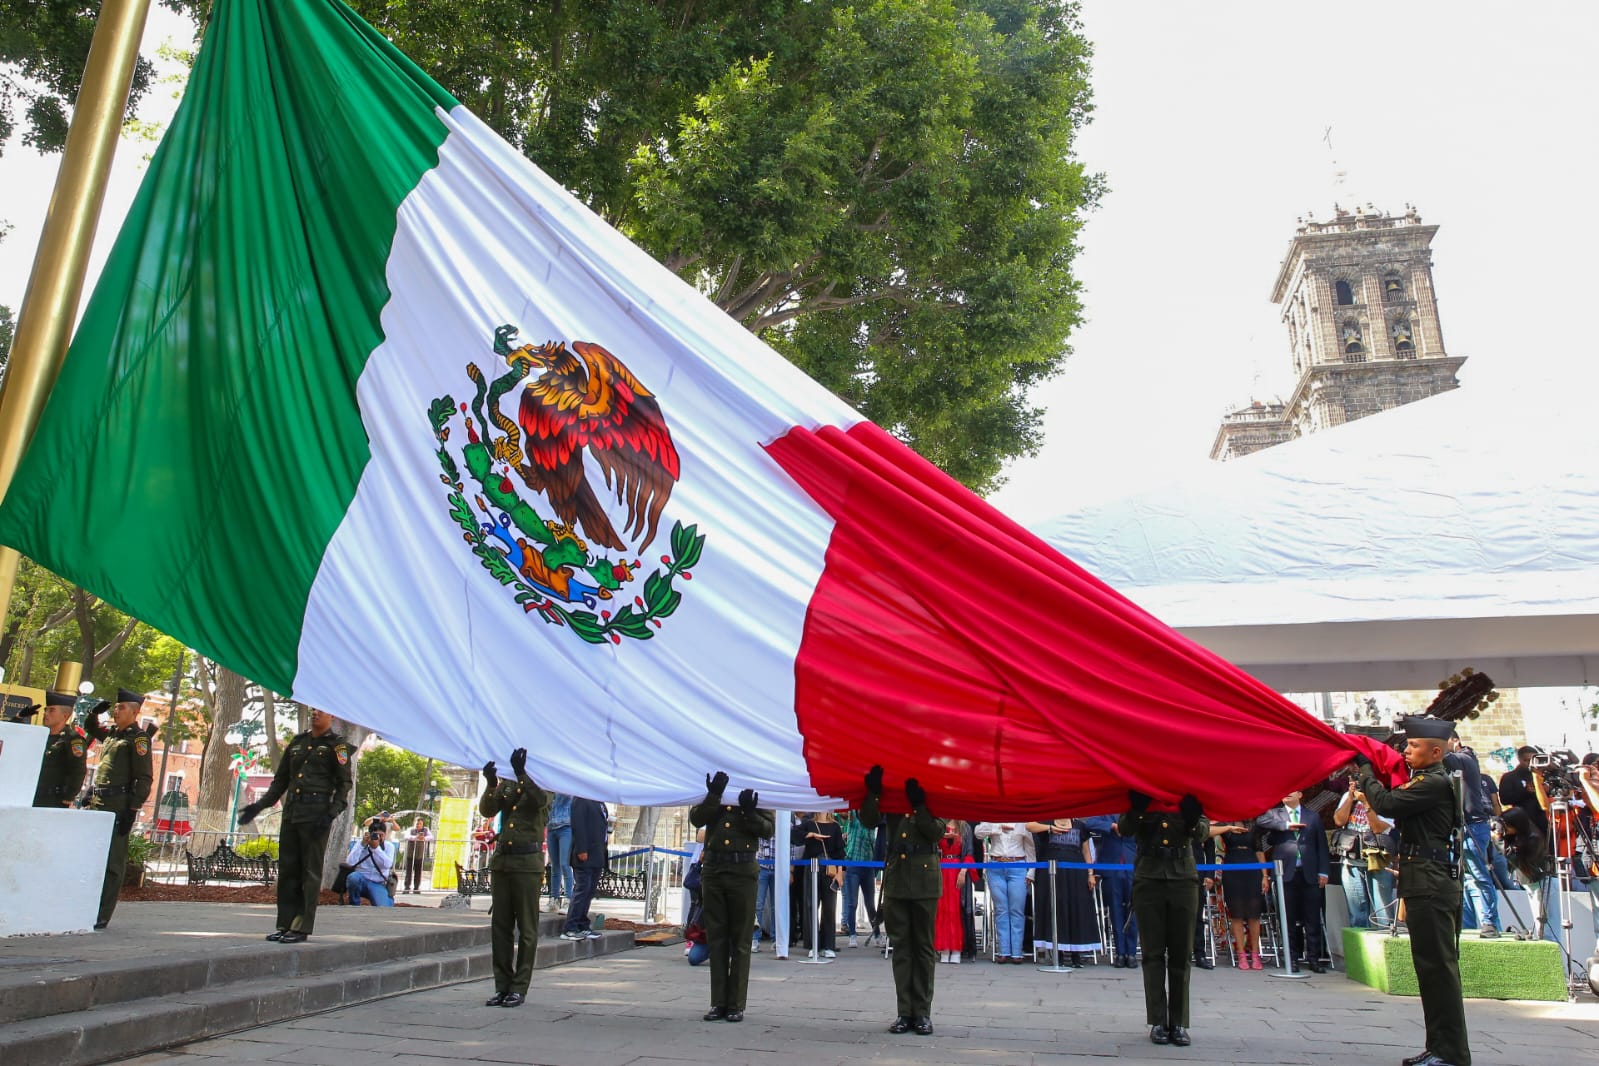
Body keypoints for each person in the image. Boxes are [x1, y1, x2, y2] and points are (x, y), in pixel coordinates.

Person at [1354, 716, 1472, 1066]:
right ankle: (1439, 1047)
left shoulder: (1433, 782)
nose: (1406, 751)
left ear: (1436, 752)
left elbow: (1388, 805)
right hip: (1425, 877)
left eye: (1413, 746)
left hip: (1430, 880)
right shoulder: (1427, 779)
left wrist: (1365, 770)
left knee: (1438, 970)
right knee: (1431, 969)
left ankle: (1449, 1053)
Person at [237, 708, 354, 944]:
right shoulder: (298, 742)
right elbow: (281, 781)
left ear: (332, 717)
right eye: (313, 710)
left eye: (321, 711)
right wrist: (258, 806)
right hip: (292, 813)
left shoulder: (337, 746)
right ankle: (285, 923)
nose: (315, 714)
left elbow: (344, 786)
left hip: (316, 816)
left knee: (309, 873)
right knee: (288, 871)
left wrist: (330, 815)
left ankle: (301, 927)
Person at [859, 765, 944, 1036]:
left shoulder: (935, 788)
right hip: (897, 877)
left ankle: (922, 1013)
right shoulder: (892, 789)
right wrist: (873, 792)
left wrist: (919, 806)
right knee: (902, 949)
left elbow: (937, 831)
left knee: (923, 948)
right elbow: (868, 821)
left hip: (924, 878)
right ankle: (904, 1012)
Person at [1121, 790, 1207, 1048]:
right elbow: (1125, 829)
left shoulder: (1190, 789)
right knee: (1153, 953)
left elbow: (1202, 832)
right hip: (1149, 877)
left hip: (1183, 878)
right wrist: (1137, 808)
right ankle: (1158, 1020)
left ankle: (1178, 1022)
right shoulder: (1141, 788)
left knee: (1182, 954)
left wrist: (1192, 818)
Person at [689, 770, 774, 1023]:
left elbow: (767, 830)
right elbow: (697, 818)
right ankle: (718, 1002)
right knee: (717, 938)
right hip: (714, 869)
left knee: (740, 939)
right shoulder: (715, 781)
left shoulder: (758, 782)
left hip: (742, 870)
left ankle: (736, 1004)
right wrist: (714, 794)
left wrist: (749, 812)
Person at [479, 748, 548, 1007]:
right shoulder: (508, 783)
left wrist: (522, 773)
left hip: (527, 864)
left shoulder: (543, 781)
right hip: (503, 862)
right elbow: (488, 810)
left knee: (527, 929)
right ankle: (502, 985)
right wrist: (491, 783)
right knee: (501, 927)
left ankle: (519, 987)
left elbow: (539, 801)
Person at [82, 689, 153, 930]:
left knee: (112, 862)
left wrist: (132, 809)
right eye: (116, 707)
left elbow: (144, 778)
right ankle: (85, 905)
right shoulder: (112, 734)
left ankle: (102, 914)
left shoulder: (138, 739)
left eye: (122, 707)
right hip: (98, 802)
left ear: (135, 712)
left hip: (118, 805)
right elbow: (91, 728)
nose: (116, 710)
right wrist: (94, 713)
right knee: (90, 857)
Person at [1258, 789, 1331, 972]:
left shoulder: (1312, 816)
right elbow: (1260, 821)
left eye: (1291, 790)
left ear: (1300, 794)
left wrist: (1323, 872)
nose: (1286, 793)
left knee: (1312, 917)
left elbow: (1321, 845)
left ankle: (1314, 959)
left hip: (1309, 872)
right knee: (1288, 917)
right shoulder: (1276, 814)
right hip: (1286, 873)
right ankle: (1292, 959)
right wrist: (1285, 825)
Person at [1027, 817, 1101, 967]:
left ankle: (1076, 956)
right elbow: (1029, 826)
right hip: (1053, 874)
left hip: (1076, 874)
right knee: (1056, 911)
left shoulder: (1080, 826)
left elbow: (1086, 851)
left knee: (1076, 910)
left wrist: (1090, 873)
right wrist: (1050, 829)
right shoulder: (1048, 823)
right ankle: (1058, 955)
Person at [1446, 739, 1500, 937]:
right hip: (1455, 826)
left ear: (1455, 741)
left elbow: (1449, 759)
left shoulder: (1466, 756)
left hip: (1473, 825)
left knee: (1477, 876)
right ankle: (1467, 925)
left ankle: (1489, 922)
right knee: (1463, 878)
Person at [1332, 778, 1396, 932]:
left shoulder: (1387, 799)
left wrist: (1367, 803)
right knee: (1357, 914)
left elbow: (1378, 828)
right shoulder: (1349, 797)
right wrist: (1350, 797)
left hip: (1379, 861)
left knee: (1382, 914)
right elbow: (1339, 821)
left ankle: (1383, 950)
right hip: (1352, 861)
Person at [972, 816, 1034, 964]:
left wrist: (1031, 871)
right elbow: (978, 832)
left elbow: (1030, 847)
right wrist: (998, 827)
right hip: (996, 865)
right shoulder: (994, 818)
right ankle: (1004, 950)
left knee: (1017, 909)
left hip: (1017, 865)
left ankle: (1017, 952)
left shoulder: (1023, 821)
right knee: (1001, 910)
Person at [1083, 813, 1139, 968]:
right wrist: (1111, 826)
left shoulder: (1135, 812)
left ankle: (1132, 953)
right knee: (1115, 912)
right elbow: (1089, 823)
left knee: (1133, 913)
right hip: (1112, 869)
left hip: (1132, 867)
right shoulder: (1107, 813)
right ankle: (1120, 953)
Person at [1210, 818, 1267, 969]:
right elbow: (1208, 831)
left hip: (1252, 867)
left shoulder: (1253, 824)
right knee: (1237, 913)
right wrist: (1228, 828)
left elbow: (1259, 850)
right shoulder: (1226, 822)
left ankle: (1255, 954)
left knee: (1254, 914)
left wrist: (1265, 876)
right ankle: (1240, 954)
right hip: (1232, 867)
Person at [793, 810, 845, 957]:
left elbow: (839, 851)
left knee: (829, 906)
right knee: (810, 905)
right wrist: (810, 835)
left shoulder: (835, 826)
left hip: (830, 868)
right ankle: (812, 944)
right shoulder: (808, 823)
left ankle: (828, 945)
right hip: (811, 867)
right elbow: (794, 836)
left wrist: (840, 873)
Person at [562, 795, 607, 941]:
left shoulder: (599, 801)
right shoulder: (581, 799)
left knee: (589, 891)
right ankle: (571, 927)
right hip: (585, 852)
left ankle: (582, 923)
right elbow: (578, 825)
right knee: (582, 889)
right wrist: (581, 849)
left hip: (597, 852)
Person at [33, 691, 89, 808]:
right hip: (32, 794)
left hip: (52, 799)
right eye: (45, 710)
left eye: (51, 710)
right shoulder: (39, 735)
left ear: (65, 715)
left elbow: (78, 769)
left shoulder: (73, 739)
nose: (46, 714)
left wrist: (69, 796)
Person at [837, 808, 881, 948]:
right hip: (853, 865)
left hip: (868, 866)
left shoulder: (873, 824)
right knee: (852, 903)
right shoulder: (854, 818)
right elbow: (849, 812)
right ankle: (852, 935)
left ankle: (877, 934)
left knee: (870, 904)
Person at [935, 821, 971, 963]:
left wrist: (963, 870)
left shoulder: (964, 827)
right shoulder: (939, 824)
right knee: (942, 909)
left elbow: (969, 852)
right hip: (942, 869)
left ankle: (957, 948)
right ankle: (944, 948)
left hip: (958, 869)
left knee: (956, 909)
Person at [344, 822, 396, 906]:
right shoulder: (361, 844)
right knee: (353, 877)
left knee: (384, 907)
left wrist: (376, 849)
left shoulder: (389, 846)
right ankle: (354, 904)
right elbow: (350, 863)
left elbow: (387, 865)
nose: (378, 838)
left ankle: (388, 899)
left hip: (377, 883)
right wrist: (362, 845)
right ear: (369, 834)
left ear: (385, 835)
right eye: (375, 835)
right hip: (361, 880)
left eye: (381, 835)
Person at [1499, 746, 1548, 832]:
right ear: (1519, 760)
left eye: (1533, 761)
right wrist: (1525, 791)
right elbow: (1504, 799)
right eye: (1526, 760)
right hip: (1524, 824)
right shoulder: (1509, 777)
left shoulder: (1543, 775)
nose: (1530, 764)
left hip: (1545, 820)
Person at [545, 791, 574, 911]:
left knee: (564, 864)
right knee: (554, 866)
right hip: (551, 826)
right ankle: (554, 899)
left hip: (565, 826)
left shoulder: (565, 783)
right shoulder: (549, 788)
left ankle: (568, 899)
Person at [402, 815, 432, 894]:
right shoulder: (410, 829)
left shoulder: (426, 830)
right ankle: (407, 887)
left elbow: (431, 837)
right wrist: (415, 837)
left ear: (422, 824)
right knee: (408, 871)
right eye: (417, 823)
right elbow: (406, 836)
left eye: (420, 823)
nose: (418, 825)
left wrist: (424, 838)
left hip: (419, 854)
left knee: (418, 872)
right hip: (410, 854)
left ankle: (416, 888)